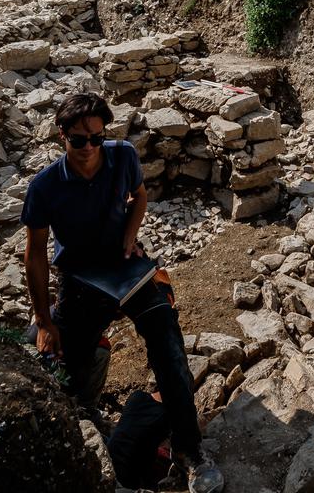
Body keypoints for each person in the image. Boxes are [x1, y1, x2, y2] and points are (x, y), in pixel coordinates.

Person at [22, 92, 223, 493]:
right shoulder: (45, 186)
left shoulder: (123, 156)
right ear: (62, 137)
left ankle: (189, 448)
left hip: (126, 267)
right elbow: (35, 255)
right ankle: (86, 425)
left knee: (168, 345)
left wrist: (130, 237)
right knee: (62, 363)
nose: (89, 148)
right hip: (79, 277)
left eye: (97, 138)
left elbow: (140, 197)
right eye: (79, 140)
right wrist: (43, 320)